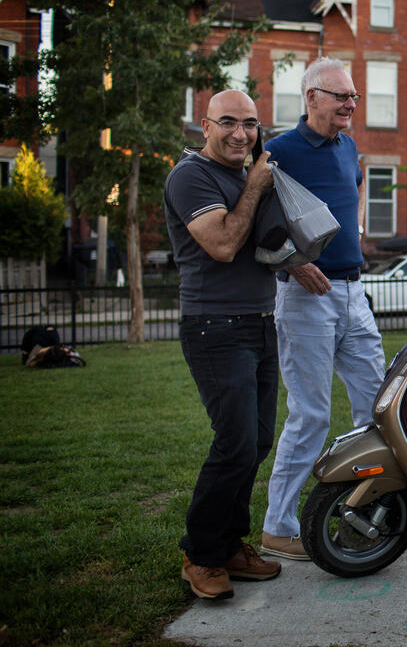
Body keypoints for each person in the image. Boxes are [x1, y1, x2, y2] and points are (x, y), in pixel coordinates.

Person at [261, 57, 407, 559]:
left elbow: (355, 187)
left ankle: (382, 510)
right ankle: (278, 526)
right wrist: (294, 262)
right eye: (342, 96)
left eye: (354, 96)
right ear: (311, 97)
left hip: (355, 294)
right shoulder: (279, 151)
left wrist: (354, 228)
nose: (351, 104)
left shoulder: (348, 146)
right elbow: (255, 220)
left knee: (379, 405)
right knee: (310, 415)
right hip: (305, 299)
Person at [164, 90, 282, 599]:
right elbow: (223, 243)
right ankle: (201, 554)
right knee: (234, 441)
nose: (240, 133)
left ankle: (229, 545)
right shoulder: (191, 175)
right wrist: (255, 185)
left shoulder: (243, 175)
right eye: (229, 122)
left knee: (256, 441)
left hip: (259, 323)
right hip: (214, 327)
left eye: (250, 124)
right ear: (206, 125)